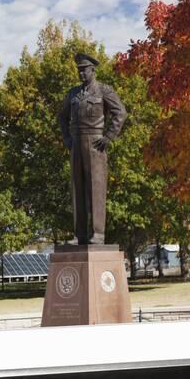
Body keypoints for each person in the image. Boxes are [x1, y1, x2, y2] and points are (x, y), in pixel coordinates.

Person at [59, 53, 127, 244]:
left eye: (84, 70)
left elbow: (120, 113)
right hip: (76, 143)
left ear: (92, 70)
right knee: (77, 188)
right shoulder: (72, 94)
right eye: (78, 70)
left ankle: (98, 233)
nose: (81, 74)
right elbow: (62, 117)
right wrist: (66, 138)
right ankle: (79, 234)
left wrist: (109, 136)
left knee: (96, 188)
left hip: (96, 143)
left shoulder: (104, 91)